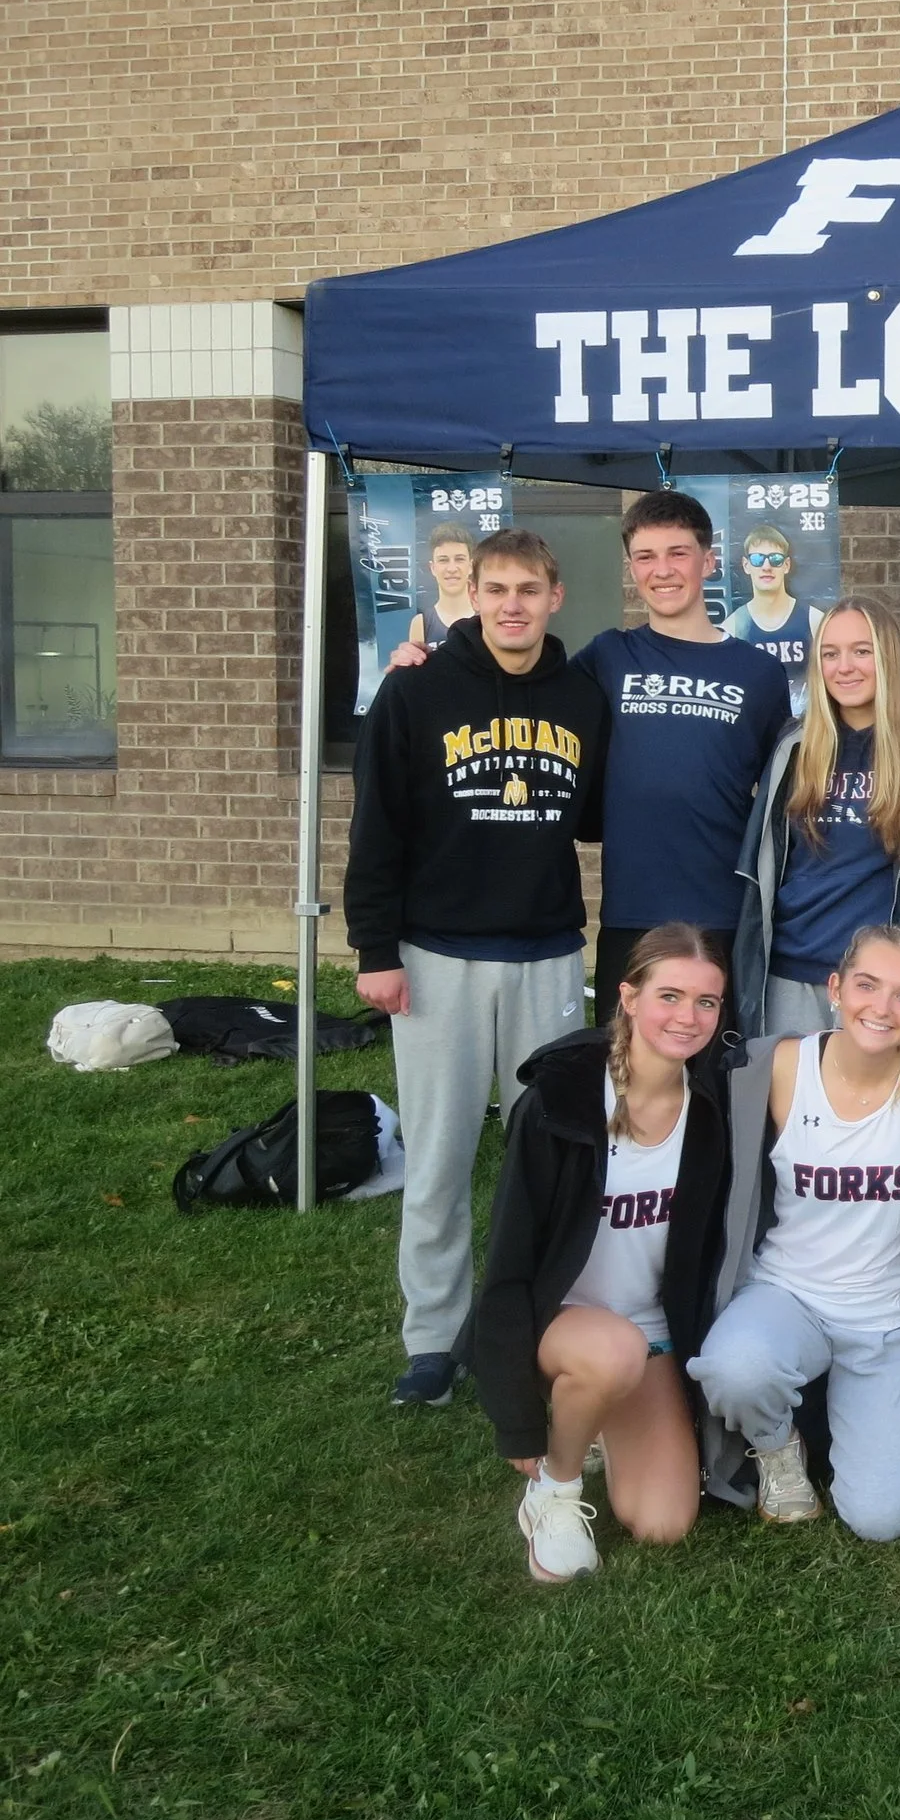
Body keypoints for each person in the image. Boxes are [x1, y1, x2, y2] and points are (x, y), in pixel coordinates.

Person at [347, 527, 609, 1410]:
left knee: (554, 1154)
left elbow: (594, 815)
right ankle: (433, 1338)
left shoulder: (581, 697)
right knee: (439, 1153)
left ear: (555, 597)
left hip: (547, 954)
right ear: (475, 595)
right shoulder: (415, 689)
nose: (511, 606)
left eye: (528, 590)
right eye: (496, 589)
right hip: (436, 955)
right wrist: (375, 950)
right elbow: (376, 824)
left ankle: (541, 1320)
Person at [388, 490, 789, 1029]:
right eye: (645, 556)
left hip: (724, 909)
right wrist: (429, 662)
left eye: (678, 553)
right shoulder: (607, 657)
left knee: (717, 1067)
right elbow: (518, 681)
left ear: (709, 562)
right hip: (630, 912)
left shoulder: (758, 673)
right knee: (624, 1068)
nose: (662, 570)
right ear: (631, 568)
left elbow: (786, 796)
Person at [688, 924, 900, 1539]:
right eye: (866, 985)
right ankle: (777, 1445)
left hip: (889, 1318)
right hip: (786, 1294)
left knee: (883, 1517)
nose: (882, 1007)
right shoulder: (776, 1068)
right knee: (734, 1368)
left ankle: (849, 1416)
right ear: (835, 988)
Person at [468, 925, 733, 1582]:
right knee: (612, 1351)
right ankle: (555, 1489)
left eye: (706, 1001)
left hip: (651, 1331)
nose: (688, 1016)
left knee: (664, 1522)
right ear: (629, 997)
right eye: (669, 995)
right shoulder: (559, 1105)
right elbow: (508, 1262)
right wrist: (517, 1421)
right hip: (562, 1325)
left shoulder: (709, 1111)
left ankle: (597, 1417)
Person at [734, 595, 900, 1040]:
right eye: (830, 654)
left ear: (889, 657)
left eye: (861, 651)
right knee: (791, 1088)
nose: (844, 667)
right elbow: (763, 869)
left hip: (883, 982)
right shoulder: (793, 748)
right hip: (792, 973)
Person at [724, 524, 825, 718]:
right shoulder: (734, 627)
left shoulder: (814, 620)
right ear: (746, 565)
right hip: (756, 729)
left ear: (786, 565)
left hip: (806, 728)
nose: (766, 566)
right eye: (757, 559)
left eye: (775, 559)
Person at [414, 522, 475, 648]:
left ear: (470, 566)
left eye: (459, 559)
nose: (452, 568)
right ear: (433, 568)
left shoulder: (487, 618)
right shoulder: (422, 623)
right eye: (443, 560)